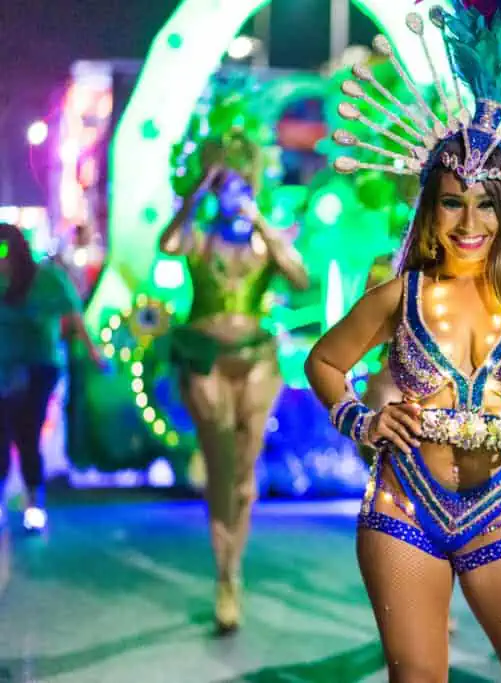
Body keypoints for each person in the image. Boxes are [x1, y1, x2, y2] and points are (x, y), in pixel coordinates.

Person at [305, 1, 501, 679]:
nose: (470, 221)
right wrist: (361, 417)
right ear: (431, 205)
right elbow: (325, 361)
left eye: (486, 202)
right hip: (402, 506)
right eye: (453, 201)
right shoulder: (402, 293)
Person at [159, 128, 310, 634]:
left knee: (243, 472)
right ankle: (224, 572)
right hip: (204, 357)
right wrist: (195, 194)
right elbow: (168, 243)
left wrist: (261, 221)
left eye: (239, 186)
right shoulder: (199, 239)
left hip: (256, 358)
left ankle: (232, 567)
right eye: (224, 187)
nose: (232, 195)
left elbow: (300, 277)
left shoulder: (266, 243)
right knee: (222, 462)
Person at [0, 223, 102, 531]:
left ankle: (33, 499)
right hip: (3, 369)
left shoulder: (47, 278)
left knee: (28, 432)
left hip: (38, 367)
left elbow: (74, 316)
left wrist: (94, 354)